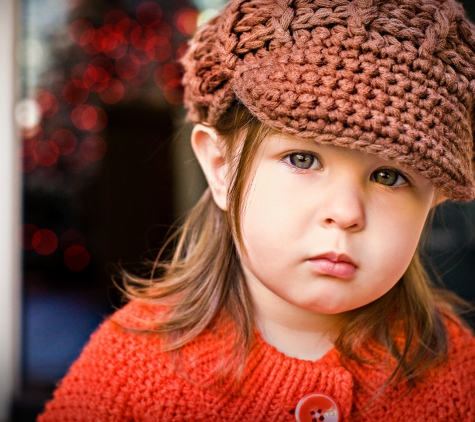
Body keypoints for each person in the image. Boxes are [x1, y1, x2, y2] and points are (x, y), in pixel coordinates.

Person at [39, 0, 475, 420]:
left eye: (388, 176)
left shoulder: (456, 372)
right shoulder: (130, 367)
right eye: (303, 159)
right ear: (221, 168)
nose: (345, 213)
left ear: (434, 197)